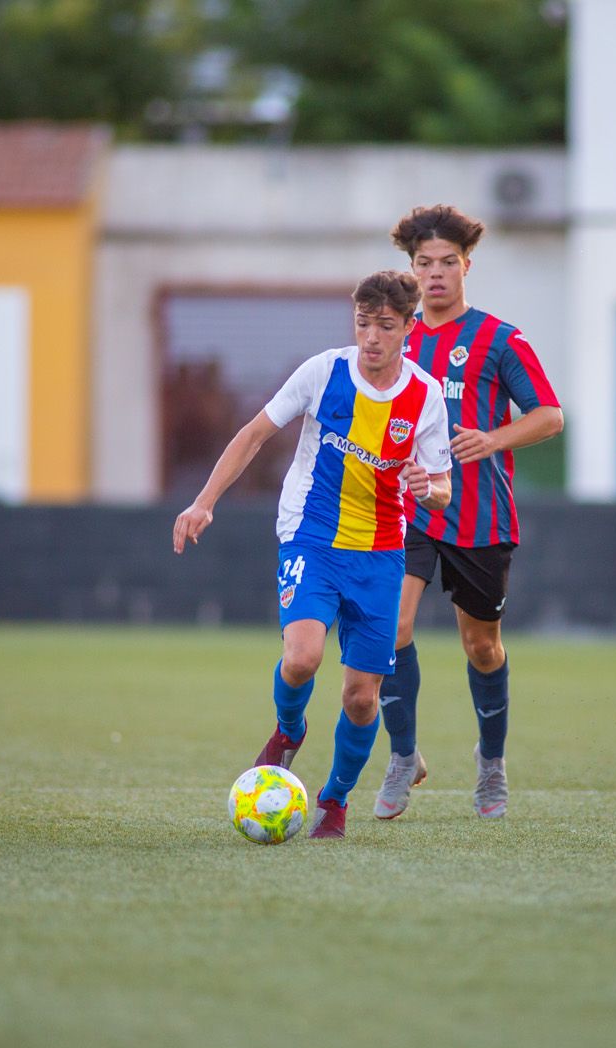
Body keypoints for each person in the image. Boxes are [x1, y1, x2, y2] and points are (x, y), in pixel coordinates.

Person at [173, 271, 452, 839]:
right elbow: (252, 434)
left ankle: (335, 798)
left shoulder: (424, 396)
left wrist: (429, 486)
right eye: (363, 322)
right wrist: (203, 502)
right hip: (312, 534)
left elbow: (442, 484)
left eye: (385, 325)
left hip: (380, 552)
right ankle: (288, 728)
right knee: (301, 658)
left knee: (361, 696)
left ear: (408, 327)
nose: (371, 336)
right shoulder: (323, 372)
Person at [372, 204, 564, 821]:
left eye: (446, 263)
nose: (435, 274)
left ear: (466, 266)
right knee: (390, 630)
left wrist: (494, 439)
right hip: (407, 511)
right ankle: (404, 757)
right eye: (423, 263)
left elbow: (549, 416)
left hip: (480, 515)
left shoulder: (500, 339)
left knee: (482, 647)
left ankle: (491, 765)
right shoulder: (396, 338)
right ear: (411, 268)